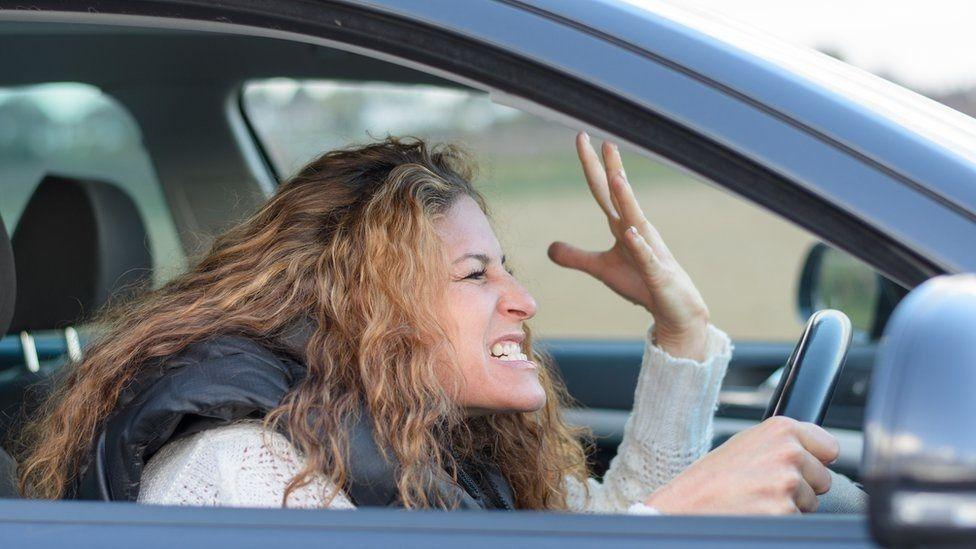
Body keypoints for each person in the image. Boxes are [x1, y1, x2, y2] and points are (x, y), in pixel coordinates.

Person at [17, 134, 838, 514]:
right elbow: (639, 530)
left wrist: (684, 334)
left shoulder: (422, 443)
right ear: (364, 306)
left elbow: (606, 523)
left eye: (505, 265)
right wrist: (676, 525)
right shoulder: (235, 474)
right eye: (475, 273)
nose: (524, 298)